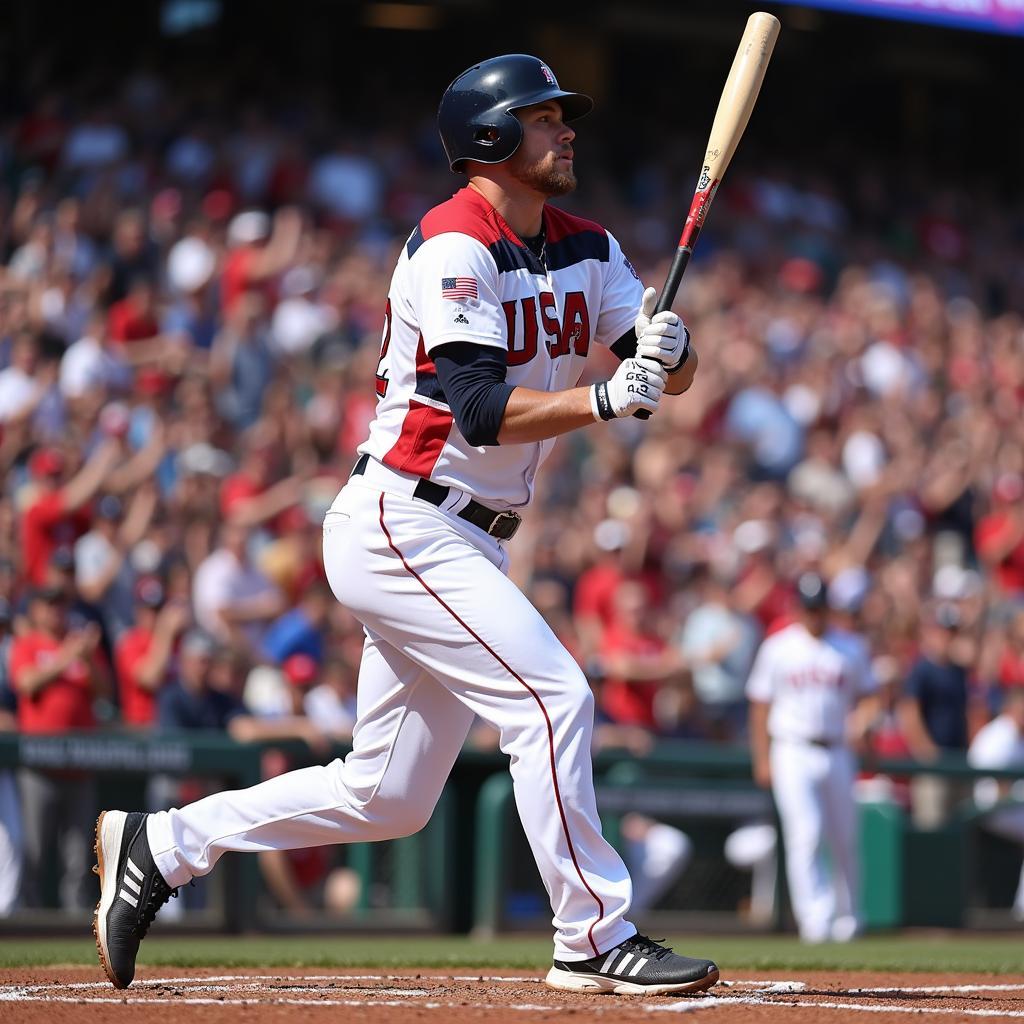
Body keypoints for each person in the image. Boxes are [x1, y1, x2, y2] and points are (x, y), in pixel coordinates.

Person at [93, 54, 717, 997]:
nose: (566, 131)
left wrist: (671, 356)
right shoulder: (450, 242)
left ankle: (165, 843)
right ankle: (591, 934)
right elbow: (472, 404)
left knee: (385, 797)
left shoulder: (592, 245)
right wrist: (604, 399)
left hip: (467, 535)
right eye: (544, 119)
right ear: (490, 139)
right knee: (553, 701)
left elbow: (659, 369)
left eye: (559, 117)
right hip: (404, 520)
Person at [747, 572, 880, 943]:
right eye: (808, 608)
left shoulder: (849, 647)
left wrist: (865, 719)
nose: (814, 614)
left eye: (819, 607)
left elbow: (870, 695)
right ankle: (815, 920)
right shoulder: (778, 646)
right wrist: (761, 758)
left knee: (845, 836)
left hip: (838, 748)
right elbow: (759, 705)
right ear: (797, 608)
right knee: (805, 834)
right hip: (791, 747)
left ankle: (850, 917)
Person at [967, 689, 1024, 919]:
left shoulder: (1016, 734)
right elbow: (999, 787)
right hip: (990, 809)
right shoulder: (1002, 734)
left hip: (1008, 808)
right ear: (1011, 708)